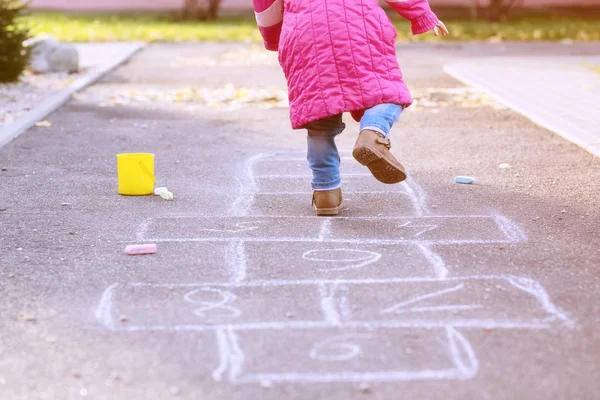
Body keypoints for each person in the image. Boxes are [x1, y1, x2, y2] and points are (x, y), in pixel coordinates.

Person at [252, 0, 449, 216]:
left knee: (319, 120)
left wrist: (274, 37)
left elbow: (265, 4)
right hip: (359, 27)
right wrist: (422, 15)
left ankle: (325, 192)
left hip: (305, 33)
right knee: (386, 92)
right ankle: (373, 133)